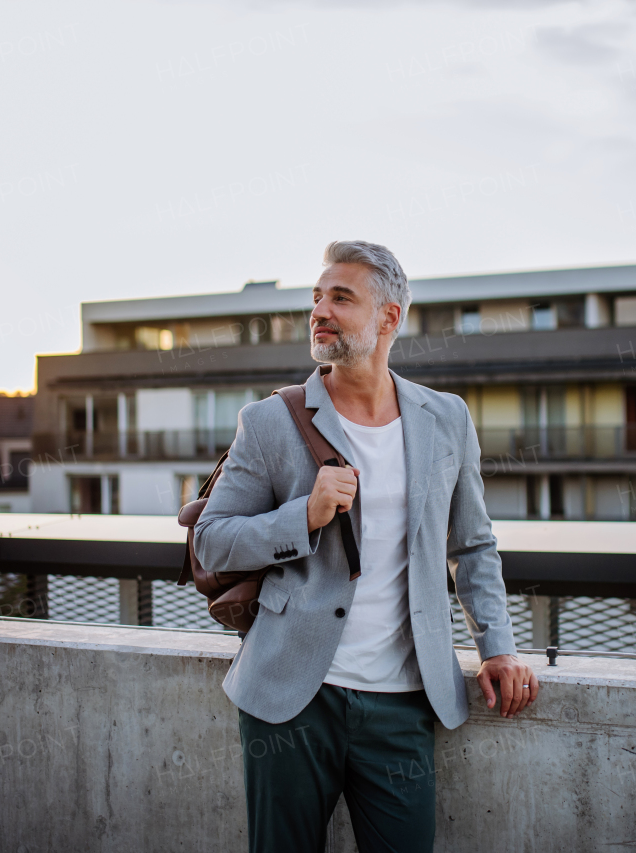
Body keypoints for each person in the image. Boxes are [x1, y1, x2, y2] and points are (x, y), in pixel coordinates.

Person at [194, 240, 539, 853]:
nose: (320, 311)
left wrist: (498, 648)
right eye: (317, 298)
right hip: (291, 701)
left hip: (406, 702)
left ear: (389, 317)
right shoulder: (271, 421)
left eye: (341, 298)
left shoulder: (446, 418)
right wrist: (303, 515)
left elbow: (475, 545)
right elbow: (212, 542)